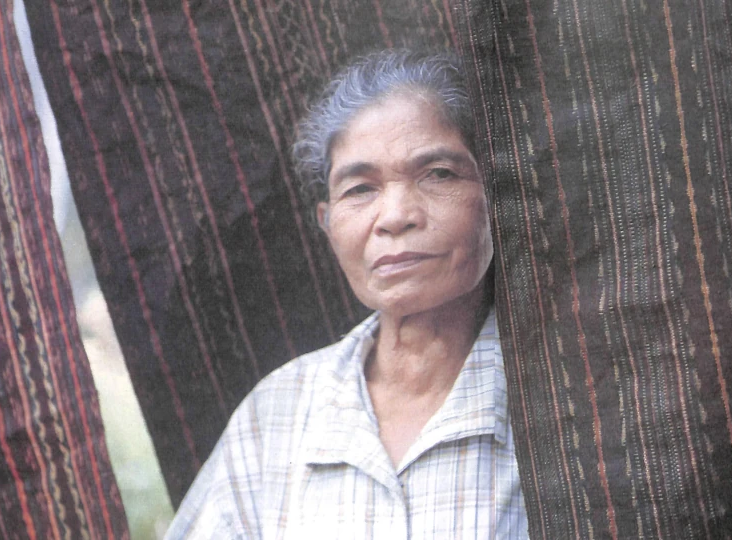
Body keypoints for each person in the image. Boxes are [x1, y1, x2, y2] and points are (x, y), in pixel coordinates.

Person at [165, 49, 528, 539]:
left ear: (494, 196)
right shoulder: (278, 414)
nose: (396, 215)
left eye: (438, 174)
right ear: (328, 225)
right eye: (360, 189)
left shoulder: (559, 393)